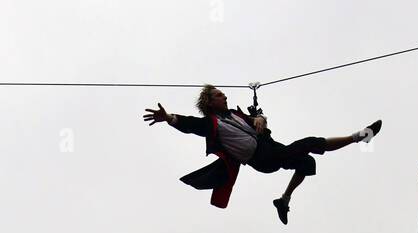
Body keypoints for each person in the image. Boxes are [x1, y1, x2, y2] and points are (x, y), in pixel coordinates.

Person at [143, 85, 381, 224]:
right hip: (261, 158)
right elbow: (189, 124)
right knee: (309, 143)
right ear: (210, 102)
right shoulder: (211, 123)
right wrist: (169, 119)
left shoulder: (236, 116)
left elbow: (260, 121)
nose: (224, 96)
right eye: (219, 95)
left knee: (306, 162)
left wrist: (259, 118)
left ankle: (284, 199)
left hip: (270, 147)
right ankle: (359, 136)